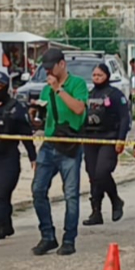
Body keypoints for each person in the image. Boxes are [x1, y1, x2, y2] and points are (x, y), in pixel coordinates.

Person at [30, 48, 88, 257]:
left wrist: (58, 90)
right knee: (38, 189)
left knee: (71, 194)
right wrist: (37, 113)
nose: (48, 72)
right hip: (49, 143)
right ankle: (47, 235)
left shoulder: (77, 84)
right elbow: (48, 113)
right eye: (45, 68)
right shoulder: (47, 88)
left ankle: (69, 239)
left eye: (50, 68)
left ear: (61, 65)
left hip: (70, 145)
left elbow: (78, 109)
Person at [0, 71, 37, 249]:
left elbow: (26, 135)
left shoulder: (16, 108)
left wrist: (33, 158)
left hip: (8, 157)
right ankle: (5, 221)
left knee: (0, 194)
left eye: (1, 86)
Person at [83, 63, 131, 226]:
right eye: (94, 75)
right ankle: (96, 211)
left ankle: (116, 200)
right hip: (90, 139)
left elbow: (125, 117)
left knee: (102, 172)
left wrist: (121, 139)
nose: (96, 78)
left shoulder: (115, 94)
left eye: (100, 75)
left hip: (109, 138)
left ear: (107, 76)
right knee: (92, 175)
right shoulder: (89, 94)